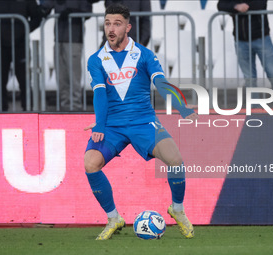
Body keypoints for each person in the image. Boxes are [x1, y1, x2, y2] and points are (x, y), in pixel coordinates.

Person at [84, 4, 198, 240]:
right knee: (90, 163)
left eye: (116, 23)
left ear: (128, 26)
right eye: (107, 23)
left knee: (175, 160)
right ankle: (114, 217)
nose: (111, 29)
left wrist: (181, 107)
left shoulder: (145, 55)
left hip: (143, 122)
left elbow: (162, 83)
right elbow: (100, 93)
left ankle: (177, 209)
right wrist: (100, 125)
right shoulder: (96, 59)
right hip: (113, 125)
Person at [217, 0, 273, 107]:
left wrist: (237, 7)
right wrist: (236, 6)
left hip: (262, 38)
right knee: (249, 77)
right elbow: (221, 5)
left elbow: (259, 4)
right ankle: (255, 108)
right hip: (241, 40)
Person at [0, 0, 42, 111]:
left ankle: (28, 108)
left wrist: (24, 28)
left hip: (21, 45)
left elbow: (37, 17)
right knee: (0, 80)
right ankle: (2, 110)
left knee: (24, 80)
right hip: (0, 45)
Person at [40, 0, 98, 111]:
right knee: (61, 76)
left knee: (73, 76)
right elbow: (45, 7)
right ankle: (64, 106)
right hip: (58, 39)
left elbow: (87, 12)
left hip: (74, 39)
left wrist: (71, 12)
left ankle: (75, 106)